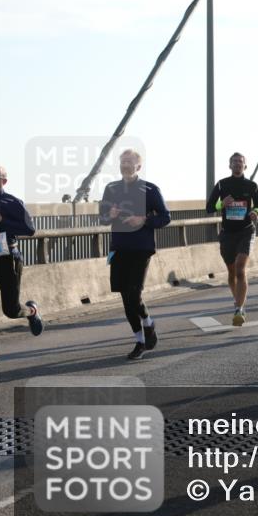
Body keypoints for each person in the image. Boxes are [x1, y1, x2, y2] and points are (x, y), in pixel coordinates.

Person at [99, 150, 171, 359]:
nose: (125, 165)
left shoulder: (150, 189)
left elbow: (166, 217)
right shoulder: (111, 188)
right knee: (125, 297)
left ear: (138, 166)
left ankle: (148, 324)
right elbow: (102, 219)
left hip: (141, 248)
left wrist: (144, 220)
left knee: (134, 294)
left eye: (129, 162)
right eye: (122, 162)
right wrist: (109, 215)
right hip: (119, 248)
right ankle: (140, 339)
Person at [206, 152, 258, 327]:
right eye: (234, 161)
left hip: (246, 231)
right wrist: (222, 204)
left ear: (245, 166)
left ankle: (238, 309)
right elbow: (209, 207)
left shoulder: (251, 186)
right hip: (227, 234)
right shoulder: (222, 184)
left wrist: (255, 212)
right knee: (231, 273)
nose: (237, 164)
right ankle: (238, 301)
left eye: (240, 161)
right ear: (229, 165)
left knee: (240, 269)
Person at [0, 164, 43, 337]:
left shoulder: (12, 202)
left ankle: (32, 311)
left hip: (7, 258)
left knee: (11, 310)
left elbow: (29, 229)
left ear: (4, 181)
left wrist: (1, 220)